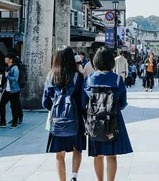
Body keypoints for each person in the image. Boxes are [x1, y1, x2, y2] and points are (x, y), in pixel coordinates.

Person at [83, 47, 133, 181]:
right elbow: (123, 103)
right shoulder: (117, 80)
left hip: (94, 121)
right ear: (111, 62)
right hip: (113, 120)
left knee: (97, 155)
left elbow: (83, 104)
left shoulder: (88, 80)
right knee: (111, 156)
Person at [43, 46, 85, 181]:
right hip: (75, 119)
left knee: (59, 154)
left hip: (57, 120)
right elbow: (83, 101)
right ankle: (74, 176)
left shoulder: (50, 76)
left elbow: (45, 102)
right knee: (77, 149)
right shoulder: (78, 76)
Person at [0, 52, 22, 129]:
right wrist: (2, 86)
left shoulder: (15, 68)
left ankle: (14, 122)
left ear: (11, 59)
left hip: (14, 90)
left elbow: (15, 79)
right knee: (1, 104)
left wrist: (8, 76)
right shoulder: (7, 67)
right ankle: (3, 121)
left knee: (14, 106)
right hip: (7, 90)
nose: (5, 58)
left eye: (7, 57)